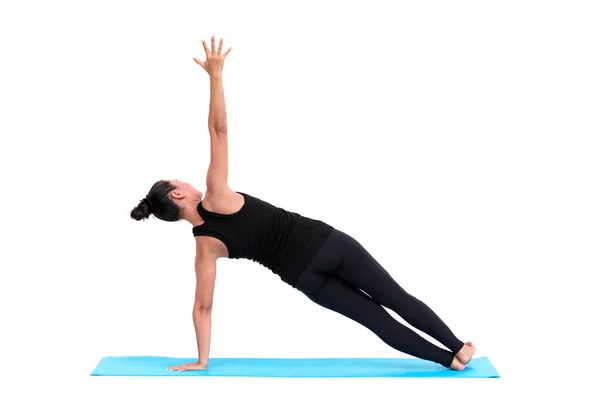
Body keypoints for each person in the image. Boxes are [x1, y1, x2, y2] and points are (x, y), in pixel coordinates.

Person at [130, 36, 476, 373]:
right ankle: (459, 347)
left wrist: (202, 360)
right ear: (178, 195)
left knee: (376, 321)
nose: (185, 181)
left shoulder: (204, 246)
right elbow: (218, 132)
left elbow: (202, 307)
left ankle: (449, 361)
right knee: (394, 297)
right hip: (327, 246)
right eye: (179, 181)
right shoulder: (216, 195)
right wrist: (216, 77)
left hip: (305, 278)